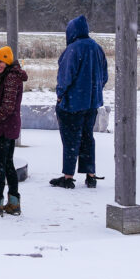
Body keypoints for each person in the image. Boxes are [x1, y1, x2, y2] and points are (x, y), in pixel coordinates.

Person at [51, 15, 108, 189]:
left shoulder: (73, 50)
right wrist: (94, 92)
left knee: (70, 139)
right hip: (92, 103)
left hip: (73, 103)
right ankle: (90, 175)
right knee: (87, 137)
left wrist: (60, 95)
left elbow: (65, 77)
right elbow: (104, 76)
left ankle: (68, 177)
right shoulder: (97, 48)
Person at [0, 46, 28, 217]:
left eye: (1, 61)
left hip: (3, 127)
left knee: (0, 165)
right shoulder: (12, 75)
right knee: (8, 163)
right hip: (9, 126)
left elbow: (8, 106)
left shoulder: (10, 77)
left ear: (8, 61)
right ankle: (14, 203)